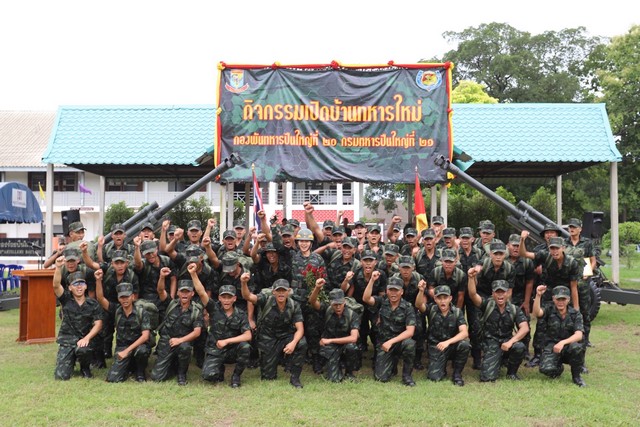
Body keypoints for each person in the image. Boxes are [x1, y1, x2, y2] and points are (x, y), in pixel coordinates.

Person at [191, 264, 252, 388]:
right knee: (209, 376)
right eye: (224, 297)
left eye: (229, 297)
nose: (226, 300)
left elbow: (248, 335)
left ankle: (236, 376)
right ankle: (220, 369)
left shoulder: (241, 314)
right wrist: (193, 274)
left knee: (245, 347)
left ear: (234, 299)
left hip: (232, 350)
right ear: (219, 298)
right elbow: (201, 292)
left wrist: (227, 341)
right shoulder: (214, 308)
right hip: (215, 349)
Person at [241, 275, 307, 388]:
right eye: (278, 290)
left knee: (301, 343)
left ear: (288, 291)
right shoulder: (265, 300)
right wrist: (243, 283)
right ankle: (276, 361)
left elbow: (300, 329)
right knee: (268, 377)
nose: (281, 293)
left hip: (286, 337)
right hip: (268, 339)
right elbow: (248, 296)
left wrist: (293, 343)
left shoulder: (294, 305)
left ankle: (295, 378)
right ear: (273, 292)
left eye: (283, 290)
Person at [467, 272, 529, 382]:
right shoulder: (487, 305)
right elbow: (473, 295)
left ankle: (511, 373)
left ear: (508, 293)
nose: (500, 295)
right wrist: (471, 278)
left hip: (507, 342)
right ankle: (497, 361)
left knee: (519, 347)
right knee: (487, 378)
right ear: (493, 293)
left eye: (503, 292)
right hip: (491, 343)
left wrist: (511, 342)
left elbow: (525, 328)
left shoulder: (514, 309)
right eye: (497, 292)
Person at [52, 256, 103, 380]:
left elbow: (98, 324)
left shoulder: (92, 304)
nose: (79, 287)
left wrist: (87, 338)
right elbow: (56, 285)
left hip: (84, 340)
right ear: (70, 287)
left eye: (82, 283)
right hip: (67, 340)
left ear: (85, 286)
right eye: (75, 284)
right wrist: (58, 267)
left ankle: (85, 367)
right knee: (61, 376)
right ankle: (70, 360)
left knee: (83, 350)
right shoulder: (66, 299)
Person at [95, 273, 152, 383]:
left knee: (142, 351)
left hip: (138, 346)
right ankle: (128, 368)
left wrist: (127, 350)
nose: (125, 299)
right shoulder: (117, 310)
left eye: (127, 296)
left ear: (133, 297)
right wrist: (98, 280)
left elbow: (145, 336)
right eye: (122, 297)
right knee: (113, 379)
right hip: (122, 347)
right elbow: (101, 299)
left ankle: (140, 372)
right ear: (118, 298)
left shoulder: (141, 312)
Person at [362, 272, 417, 386]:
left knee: (410, 344)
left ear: (401, 292)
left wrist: (391, 342)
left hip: (399, 342)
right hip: (384, 343)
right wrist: (372, 280)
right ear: (387, 291)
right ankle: (392, 363)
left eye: (396, 290)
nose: (393, 293)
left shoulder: (408, 307)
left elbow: (410, 331)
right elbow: (366, 298)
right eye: (391, 290)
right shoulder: (382, 301)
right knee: (381, 378)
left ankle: (407, 376)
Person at [150, 277, 203, 386]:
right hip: (167, 341)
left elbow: (197, 332)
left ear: (192, 293)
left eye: (187, 292)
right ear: (178, 293)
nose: (184, 294)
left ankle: (181, 373)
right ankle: (173, 364)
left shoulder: (196, 310)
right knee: (157, 377)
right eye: (182, 291)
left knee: (185, 348)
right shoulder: (171, 304)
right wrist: (162, 276)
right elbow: (160, 290)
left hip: (183, 342)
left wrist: (180, 340)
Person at [415, 283, 470, 386]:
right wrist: (421, 291)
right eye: (439, 298)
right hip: (436, 347)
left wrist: (447, 342)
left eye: (445, 298)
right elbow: (419, 305)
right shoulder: (431, 309)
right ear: (435, 299)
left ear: (450, 298)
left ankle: (457, 374)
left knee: (464, 344)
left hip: (452, 345)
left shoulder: (457, 312)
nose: (442, 301)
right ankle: (441, 367)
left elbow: (464, 333)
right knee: (434, 377)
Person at [532, 285, 586, 387]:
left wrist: (563, 342)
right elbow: (537, 313)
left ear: (568, 300)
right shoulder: (549, 310)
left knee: (577, 348)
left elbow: (579, 335)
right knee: (545, 369)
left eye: (563, 299)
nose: (560, 302)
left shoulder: (575, 314)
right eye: (558, 299)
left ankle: (576, 377)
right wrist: (538, 295)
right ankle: (558, 367)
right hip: (552, 346)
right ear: (553, 299)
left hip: (568, 346)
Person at [309, 281, 361, 382]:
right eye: (335, 304)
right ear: (330, 303)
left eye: (340, 304)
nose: (338, 307)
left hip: (345, 345)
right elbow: (313, 302)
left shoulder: (352, 314)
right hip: (331, 348)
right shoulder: (327, 310)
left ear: (344, 302)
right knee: (333, 379)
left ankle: (349, 373)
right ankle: (335, 364)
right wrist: (317, 288)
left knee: (352, 347)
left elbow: (353, 338)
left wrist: (330, 340)